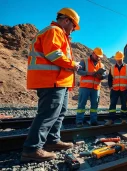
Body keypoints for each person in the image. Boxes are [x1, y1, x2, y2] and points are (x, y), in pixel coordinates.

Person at [23, 8, 81, 162]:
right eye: (74, 26)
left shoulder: (61, 34)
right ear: (67, 20)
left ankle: (52, 141)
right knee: (48, 114)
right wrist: (73, 64)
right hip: (51, 81)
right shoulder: (54, 31)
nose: (74, 30)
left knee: (59, 113)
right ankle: (32, 148)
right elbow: (54, 54)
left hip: (60, 81)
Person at [76, 47, 107, 127]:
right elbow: (79, 71)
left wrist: (101, 77)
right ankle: (79, 122)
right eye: (97, 56)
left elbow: (104, 75)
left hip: (96, 88)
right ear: (93, 53)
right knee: (81, 105)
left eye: (100, 56)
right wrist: (89, 73)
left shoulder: (102, 65)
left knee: (94, 106)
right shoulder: (84, 61)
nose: (98, 58)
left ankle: (94, 121)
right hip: (85, 87)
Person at [105, 51, 127, 125]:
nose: (119, 60)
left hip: (124, 89)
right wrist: (110, 86)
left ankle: (123, 119)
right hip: (114, 89)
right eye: (118, 59)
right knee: (112, 104)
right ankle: (111, 120)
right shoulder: (112, 68)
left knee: (124, 104)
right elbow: (109, 78)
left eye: (120, 59)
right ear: (115, 59)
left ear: (123, 58)